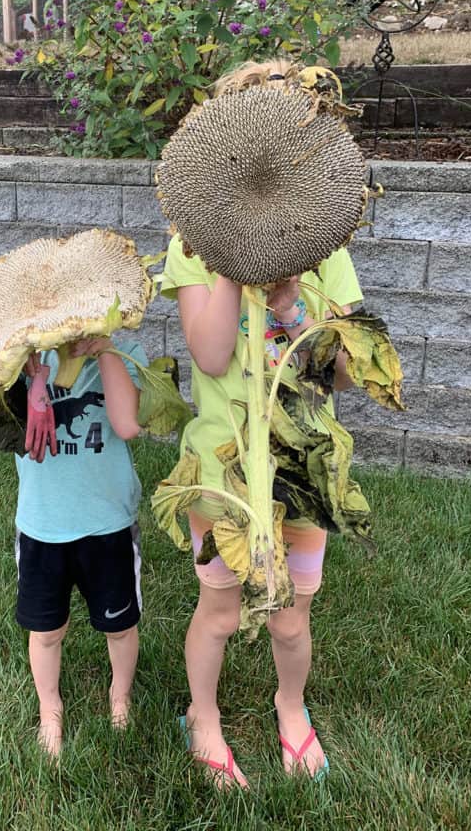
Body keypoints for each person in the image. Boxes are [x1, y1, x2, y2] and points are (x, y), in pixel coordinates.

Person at [161, 58, 363, 788]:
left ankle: (290, 707)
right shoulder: (193, 246)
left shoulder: (325, 246)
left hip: (303, 462)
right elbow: (212, 356)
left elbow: (341, 368)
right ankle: (204, 715)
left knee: (290, 616)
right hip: (222, 468)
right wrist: (229, 252)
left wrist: (288, 301)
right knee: (219, 607)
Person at [0, 335, 147, 759]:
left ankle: (120, 694)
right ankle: (50, 705)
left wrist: (103, 349)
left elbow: (127, 425)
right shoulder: (23, 359)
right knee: (45, 631)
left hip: (108, 525)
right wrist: (13, 354)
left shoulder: (121, 354)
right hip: (43, 526)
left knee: (120, 625)